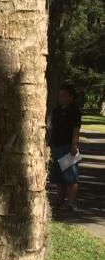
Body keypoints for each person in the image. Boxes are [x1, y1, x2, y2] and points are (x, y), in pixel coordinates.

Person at [49, 83, 82, 211]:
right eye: (60, 95)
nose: (60, 98)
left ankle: (72, 203)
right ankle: (60, 201)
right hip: (56, 146)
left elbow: (76, 129)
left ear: (71, 97)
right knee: (58, 178)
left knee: (70, 177)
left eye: (64, 95)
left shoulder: (74, 111)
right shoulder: (57, 111)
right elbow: (51, 127)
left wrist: (74, 145)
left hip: (68, 147)